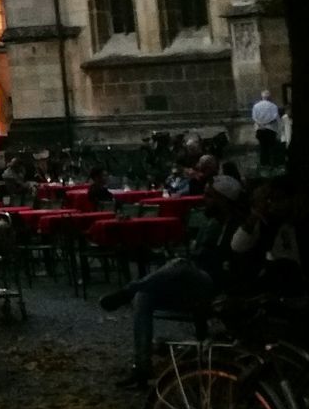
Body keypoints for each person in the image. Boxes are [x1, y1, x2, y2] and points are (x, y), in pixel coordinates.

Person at [99, 174, 256, 387]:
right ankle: (142, 367)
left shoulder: (237, 228)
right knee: (144, 295)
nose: (203, 200)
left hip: (216, 287)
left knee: (180, 263)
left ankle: (128, 289)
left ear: (224, 200)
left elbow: (232, 266)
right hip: (194, 284)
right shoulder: (211, 224)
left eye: (210, 197)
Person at [252, 91, 281, 167]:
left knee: (263, 147)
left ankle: (264, 164)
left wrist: (261, 124)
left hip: (260, 129)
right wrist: (266, 123)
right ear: (270, 97)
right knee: (272, 147)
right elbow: (274, 118)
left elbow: (254, 117)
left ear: (261, 97)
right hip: (270, 129)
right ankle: (273, 164)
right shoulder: (273, 106)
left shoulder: (256, 106)